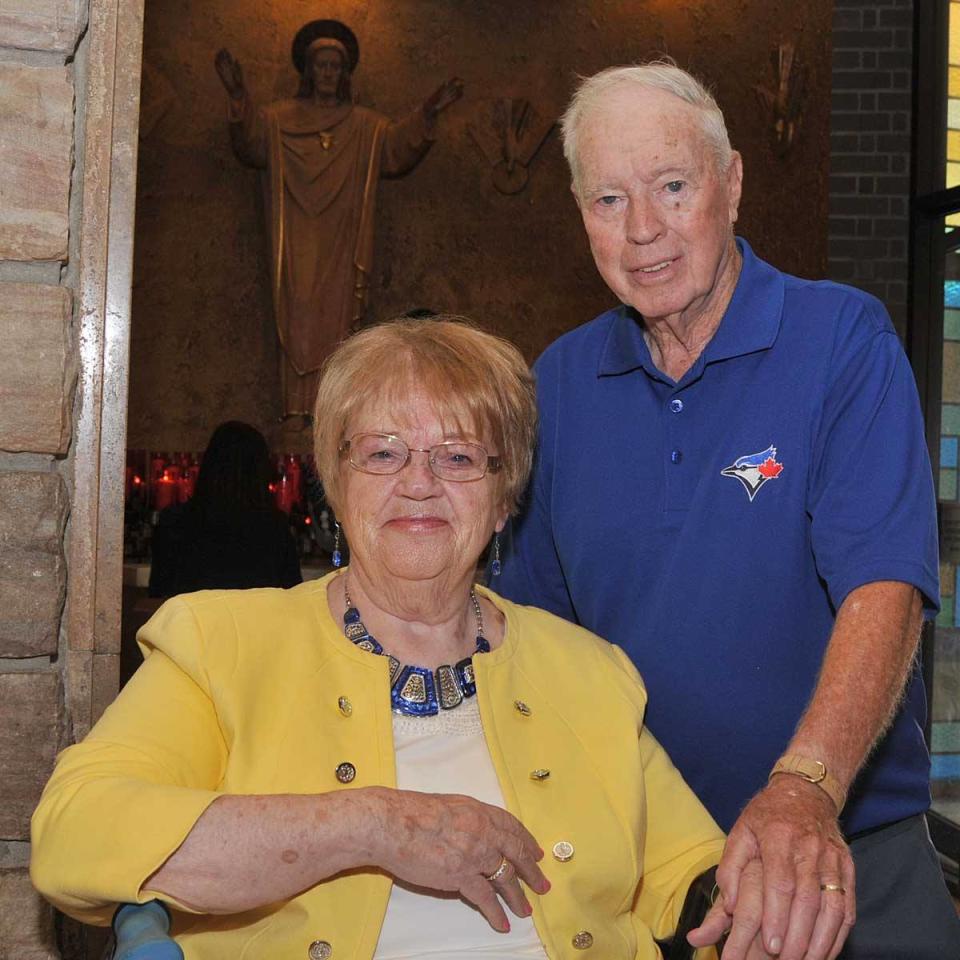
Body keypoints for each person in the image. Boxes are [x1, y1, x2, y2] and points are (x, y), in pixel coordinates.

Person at [30, 318, 785, 959]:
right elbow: (75, 833)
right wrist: (377, 826)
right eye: (384, 453)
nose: (419, 483)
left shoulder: (588, 671)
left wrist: (759, 888)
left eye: (458, 457)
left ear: (503, 500)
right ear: (336, 479)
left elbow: (692, 870)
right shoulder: (221, 645)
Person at [494, 62, 960, 960]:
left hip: (841, 862)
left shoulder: (841, 341)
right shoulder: (555, 382)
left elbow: (885, 587)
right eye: (608, 199)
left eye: (673, 187)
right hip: (646, 879)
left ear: (733, 183)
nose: (643, 231)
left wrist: (805, 789)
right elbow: (531, 638)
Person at [215, 20, 463, 419]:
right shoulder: (280, 120)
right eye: (321, 65)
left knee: (339, 321)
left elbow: (395, 149)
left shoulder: (363, 125)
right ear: (308, 71)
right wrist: (238, 95)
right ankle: (297, 414)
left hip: (343, 243)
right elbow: (251, 143)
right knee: (297, 315)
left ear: (344, 73)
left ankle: (332, 413)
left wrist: (428, 112)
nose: (328, 73)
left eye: (335, 66)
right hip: (296, 244)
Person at [148, 420, 301, 598]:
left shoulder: (173, 522)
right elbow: (293, 600)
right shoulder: (274, 529)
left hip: (189, 625)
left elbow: (158, 596)